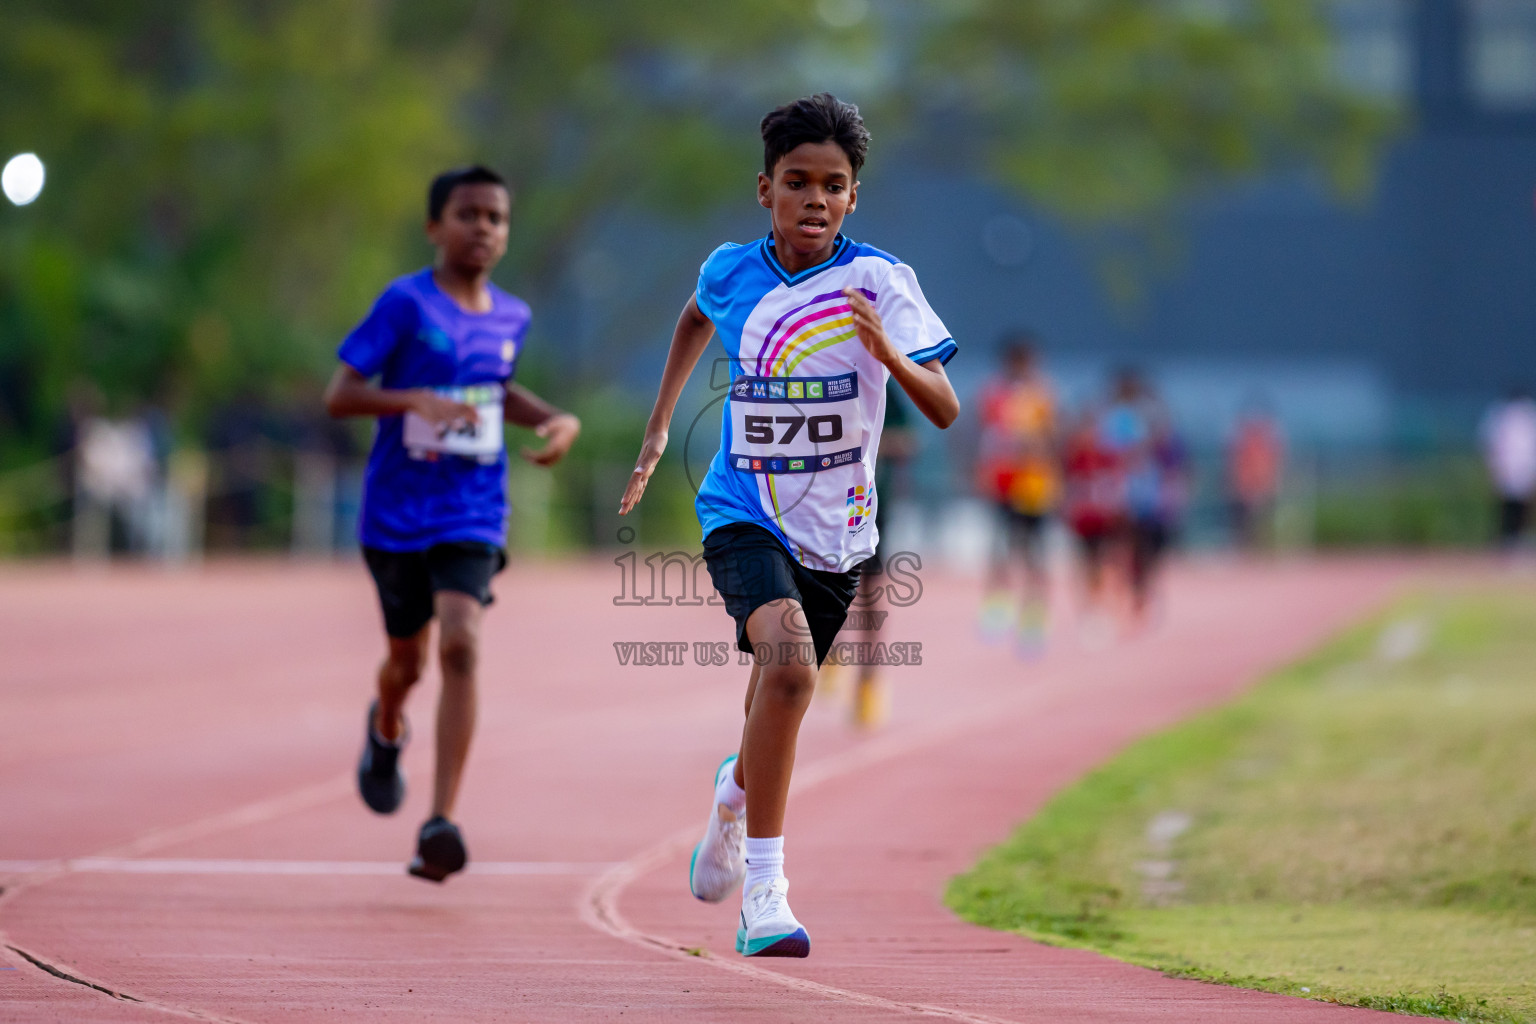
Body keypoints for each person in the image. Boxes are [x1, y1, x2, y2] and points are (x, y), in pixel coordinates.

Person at [618, 94, 959, 958]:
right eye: (798, 182)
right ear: (764, 189)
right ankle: (766, 895)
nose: (815, 199)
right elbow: (694, 316)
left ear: (853, 199)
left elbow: (948, 407)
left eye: (834, 186)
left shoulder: (882, 283)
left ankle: (734, 797)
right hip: (743, 511)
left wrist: (889, 358)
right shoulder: (732, 271)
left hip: (837, 534)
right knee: (792, 673)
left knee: (771, 696)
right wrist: (660, 427)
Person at [322, 166, 580, 882]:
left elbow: (494, 390)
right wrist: (413, 403)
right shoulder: (404, 304)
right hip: (397, 515)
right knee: (407, 662)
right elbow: (341, 395)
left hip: (473, 509)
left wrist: (556, 418)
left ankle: (440, 822)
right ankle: (386, 724)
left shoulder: (512, 317)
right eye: (468, 215)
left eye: (496, 218)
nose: (483, 229)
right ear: (435, 226)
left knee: (461, 644)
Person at [974, 334, 1059, 651]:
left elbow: (1052, 438)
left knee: (1034, 553)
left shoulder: (1042, 395)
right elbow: (986, 438)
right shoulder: (993, 395)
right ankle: (998, 609)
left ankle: (1034, 619)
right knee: (1001, 549)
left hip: (1034, 484)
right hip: (1003, 483)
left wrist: (1036, 448)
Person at [1479, 388, 1536, 548]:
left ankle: (1516, 536)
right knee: (1508, 504)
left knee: (1520, 504)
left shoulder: (1525, 415)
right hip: (1509, 465)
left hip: (1521, 465)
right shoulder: (1502, 415)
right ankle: (1507, 537)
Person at [1228, 398, 1284, 550]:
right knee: (1243, 526)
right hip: (1246, 488)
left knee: (1263, 523)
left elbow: (1274, 465)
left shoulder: (1268, 440)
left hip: (1263, 488)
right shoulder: (1243, 440)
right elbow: (1238, 466)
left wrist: (1269, 486)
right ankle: (1246, 549)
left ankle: (1262, 547)